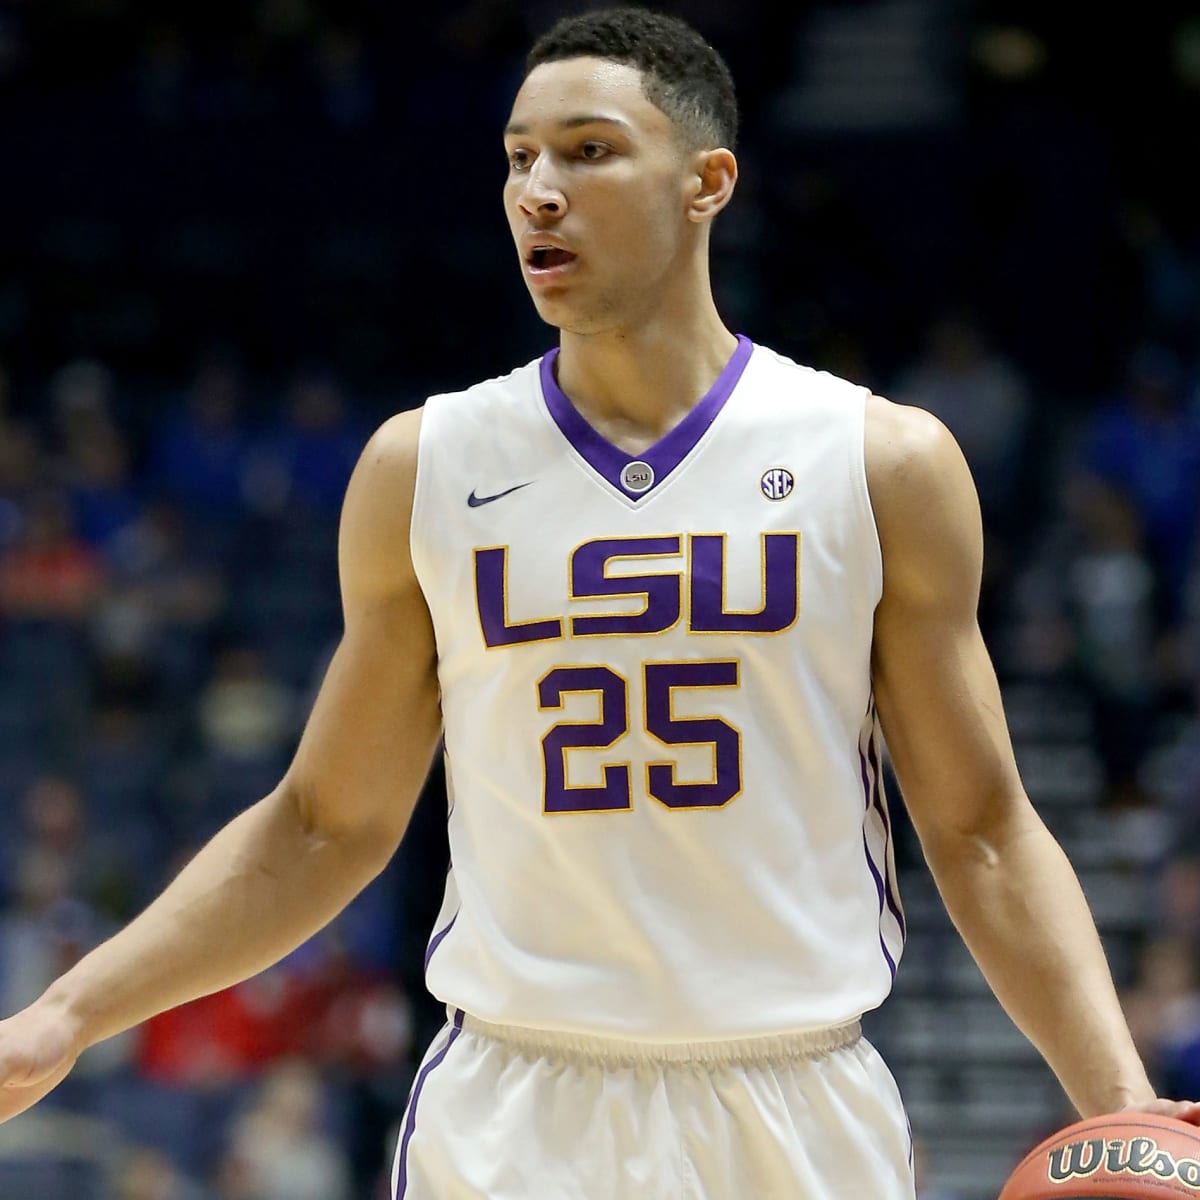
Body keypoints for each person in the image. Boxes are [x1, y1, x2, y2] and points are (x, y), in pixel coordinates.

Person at [0, 8, 1195, 1198]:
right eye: (519, 157)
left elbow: (981, 829)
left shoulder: (880, 461)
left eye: (587, 151)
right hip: (515, 1108)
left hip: (793, 1103)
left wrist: (1125, 1113)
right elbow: (322, 825)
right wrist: (66, 1014)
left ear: (706, 182)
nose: (538, 191)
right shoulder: (427, 466)